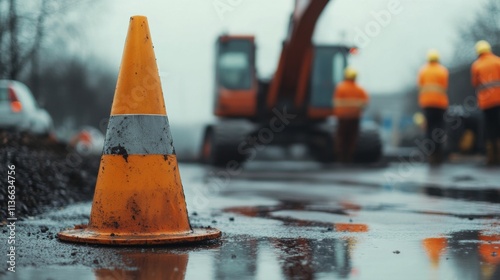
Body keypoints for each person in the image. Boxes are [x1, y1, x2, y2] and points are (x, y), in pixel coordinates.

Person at [418, 49, 449, 165]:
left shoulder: (423, 71)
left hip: (427, 105)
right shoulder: (443, 71)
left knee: (429, 130)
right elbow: (445, 87)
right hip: (440, 105)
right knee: (439, 130)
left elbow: (420, 87)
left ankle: (430, 156)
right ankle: (439, 155)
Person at [471, 40, 500, 166]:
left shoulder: (476, 65)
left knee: (489, 128)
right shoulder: (497, 61)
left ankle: (491, 157)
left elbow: (475, 83)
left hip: (486, 103)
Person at [333, 67, 369, 163]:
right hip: (355, 117)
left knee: (341, 137)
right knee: (352, 138)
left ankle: (341, 158)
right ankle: (349, 157)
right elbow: (365, 104)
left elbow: (336, 102)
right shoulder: (360, 89)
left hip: (342, 118)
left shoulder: (341, 88)